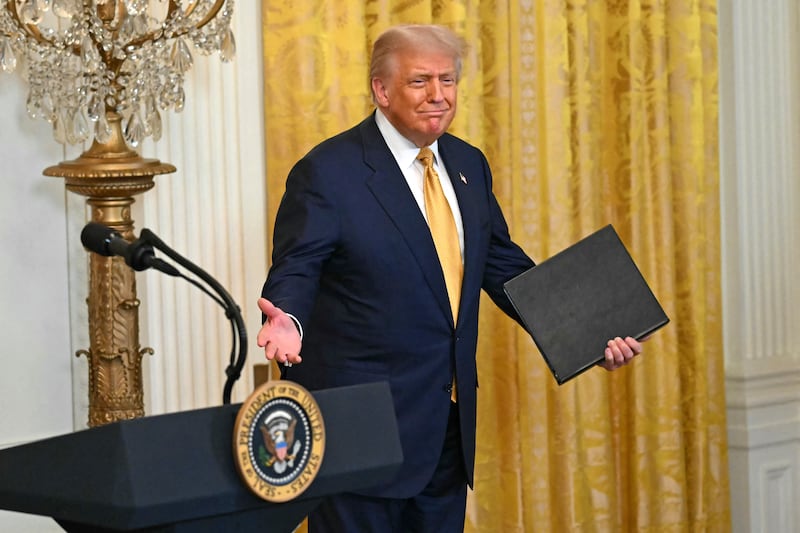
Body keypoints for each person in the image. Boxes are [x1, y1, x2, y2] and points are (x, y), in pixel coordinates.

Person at [257, 24, 643, 533]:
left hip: (446, 428)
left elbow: (503, 267)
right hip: (360, 433)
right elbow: (297, 266)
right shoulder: (328, 171)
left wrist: (590, 334)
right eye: (420, 81)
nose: (438, 95)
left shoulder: (467, 163)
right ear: (382, 89)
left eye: (448, 80)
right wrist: (289, 320)